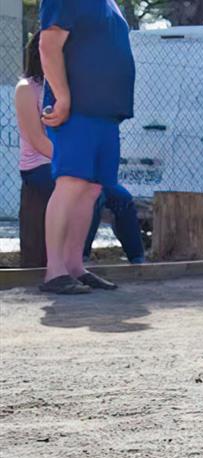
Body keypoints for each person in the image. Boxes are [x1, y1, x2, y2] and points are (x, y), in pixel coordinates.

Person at [37, 0, 135, 294]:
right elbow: (49, 44)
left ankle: (74, 266)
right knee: (71, 182)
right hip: (77, 109)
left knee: (92, 189)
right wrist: (62, 97)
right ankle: (54, 271)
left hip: (106, 113)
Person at [15, 33, 53, 269]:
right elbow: (36, 139)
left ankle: (138, 261)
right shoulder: (27, 88)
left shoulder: (63, 87)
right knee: (72, 186)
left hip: (62, 161)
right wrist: (72, 161)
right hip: (37, 164)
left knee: (110, 196)